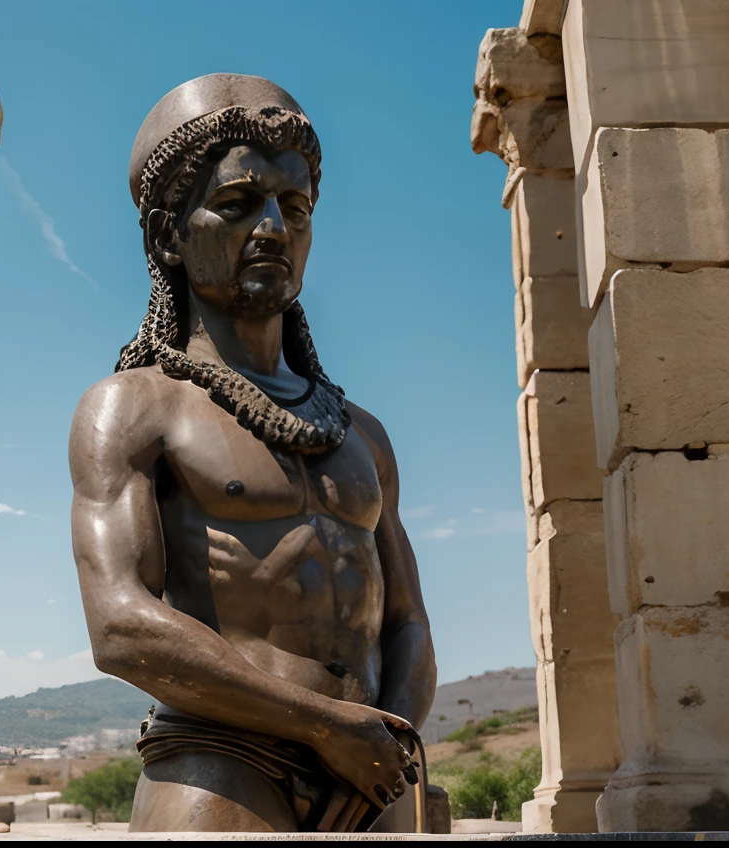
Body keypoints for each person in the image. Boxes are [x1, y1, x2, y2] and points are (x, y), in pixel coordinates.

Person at [69, 74, 435, 833]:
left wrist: (387, 746)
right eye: (237, 205)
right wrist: (324, 726)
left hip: (372, 778)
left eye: (294, 208)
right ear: (171, 234)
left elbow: (407, 625)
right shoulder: (135, 407)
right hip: (222, 766)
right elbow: (121, 624)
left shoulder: (362, 432)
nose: (272, 226)